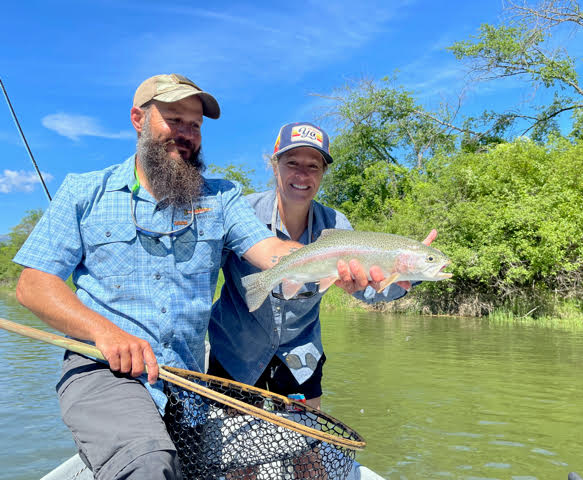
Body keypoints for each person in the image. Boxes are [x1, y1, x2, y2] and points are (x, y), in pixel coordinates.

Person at [12, 76, 378, 480]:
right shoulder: (83, 192)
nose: (186, 134)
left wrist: (343, 261)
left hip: (188, 385)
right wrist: (105, 333)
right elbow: (33, 285)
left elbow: (271, 251)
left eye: (196, 125)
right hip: (104, 368)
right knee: (149, 463)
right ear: (139, 119)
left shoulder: (221, 199)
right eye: (174, 120)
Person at [208, 122, 436, 409]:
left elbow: (369, 292)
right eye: (292, 163)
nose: (302, 175)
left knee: (307, 451)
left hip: (300, 355)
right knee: (228, 444)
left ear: (323, 173)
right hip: (235, 350)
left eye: (313, 166)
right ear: (274, 165)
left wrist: (408, 272)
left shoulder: (337, 225)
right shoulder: (242, 212)